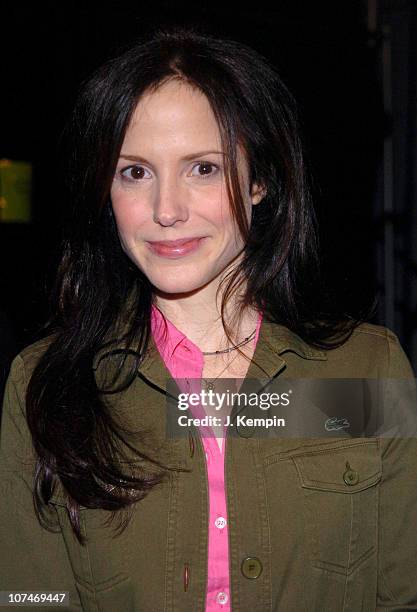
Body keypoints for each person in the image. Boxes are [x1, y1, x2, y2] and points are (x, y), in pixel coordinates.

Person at [1, 25, 416, 612]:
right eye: (134, 172)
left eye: (203, 168)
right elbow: (29, 598)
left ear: (260, 182)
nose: (166, 210)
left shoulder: (365, 371)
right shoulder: (44, 388)